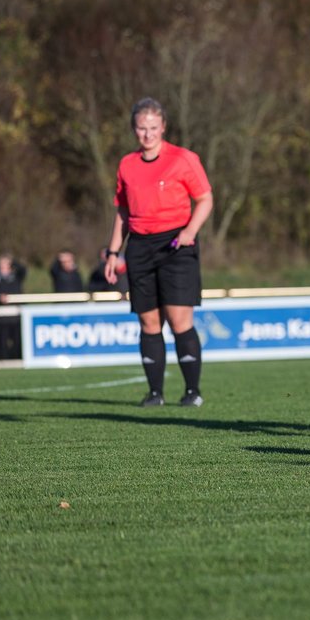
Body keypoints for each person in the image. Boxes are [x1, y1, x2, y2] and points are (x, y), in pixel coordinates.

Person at [104, 97, 214, 407]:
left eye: (153, 127)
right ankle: (155, 394)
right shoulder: (127, 164)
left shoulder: (183, 158)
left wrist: (190, 232)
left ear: (163, 127)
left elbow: (205, 199)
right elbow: (123, 211)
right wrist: (114, 252)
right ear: (134, 129)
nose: (148, 134)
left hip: (177, 245)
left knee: (180, 320)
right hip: (139, 246)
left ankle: (192, 392)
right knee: (149, 323)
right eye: (142, 128)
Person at [0, 252, 27, 359]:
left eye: (6, 264)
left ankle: (19, 362)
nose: (3, 266)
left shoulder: (16, 277)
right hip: (2, 317)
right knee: (2, 344)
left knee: (18, 343)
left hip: (16, 316)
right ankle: (3, 364)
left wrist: (13, 262)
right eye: (2, 264)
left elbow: (23, 270)